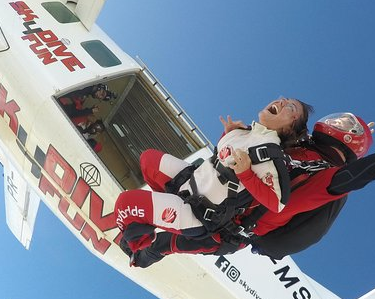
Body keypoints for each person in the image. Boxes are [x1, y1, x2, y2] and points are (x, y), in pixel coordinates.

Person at [125, 97, 375, 266]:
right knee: (150, 163)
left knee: (161, 245)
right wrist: (231, 136)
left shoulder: (328, 176)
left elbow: (370, 170)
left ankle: (144, 251)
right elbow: (248, 152)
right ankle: (160, 216)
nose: (338, 122)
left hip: (223, 228)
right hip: (207, 197)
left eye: (348, 125)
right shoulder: (295, 146)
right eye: (342, 119)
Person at [113, 97, 313, 259]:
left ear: (290, 126)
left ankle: (138, 243)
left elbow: (277, 203)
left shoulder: (270, 153)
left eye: (290, 106)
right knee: (148, 159)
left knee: (125, 204)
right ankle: (160, 213)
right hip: (191, 183)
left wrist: (246, 173)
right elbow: (221, 158)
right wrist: (227, 134)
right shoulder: (244, 133)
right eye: (282, 98)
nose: (280, 102)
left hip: (199, 213)